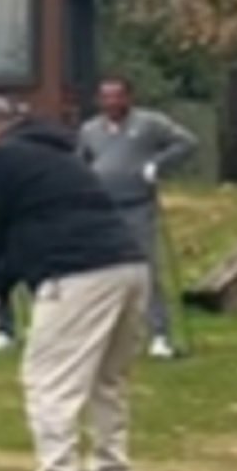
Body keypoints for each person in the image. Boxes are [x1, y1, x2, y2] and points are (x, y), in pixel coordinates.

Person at [0, 92, 150, 471]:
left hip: (76, 274)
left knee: (48, 381)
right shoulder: (57, 154)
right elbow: (22, 234)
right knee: (105, 379)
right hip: (129, 267)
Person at [79, 77, 198, 360]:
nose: (112, 103)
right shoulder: (90, 129)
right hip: (102, 208)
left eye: (117, 97)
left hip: (138, 204)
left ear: (129, 98)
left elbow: (187, 143)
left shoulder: (149, 123)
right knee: (101, 272)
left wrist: (156, 164)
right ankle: (109, 333)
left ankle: (159, 335)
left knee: (145, 269)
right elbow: (81, 161)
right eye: (106, 98)